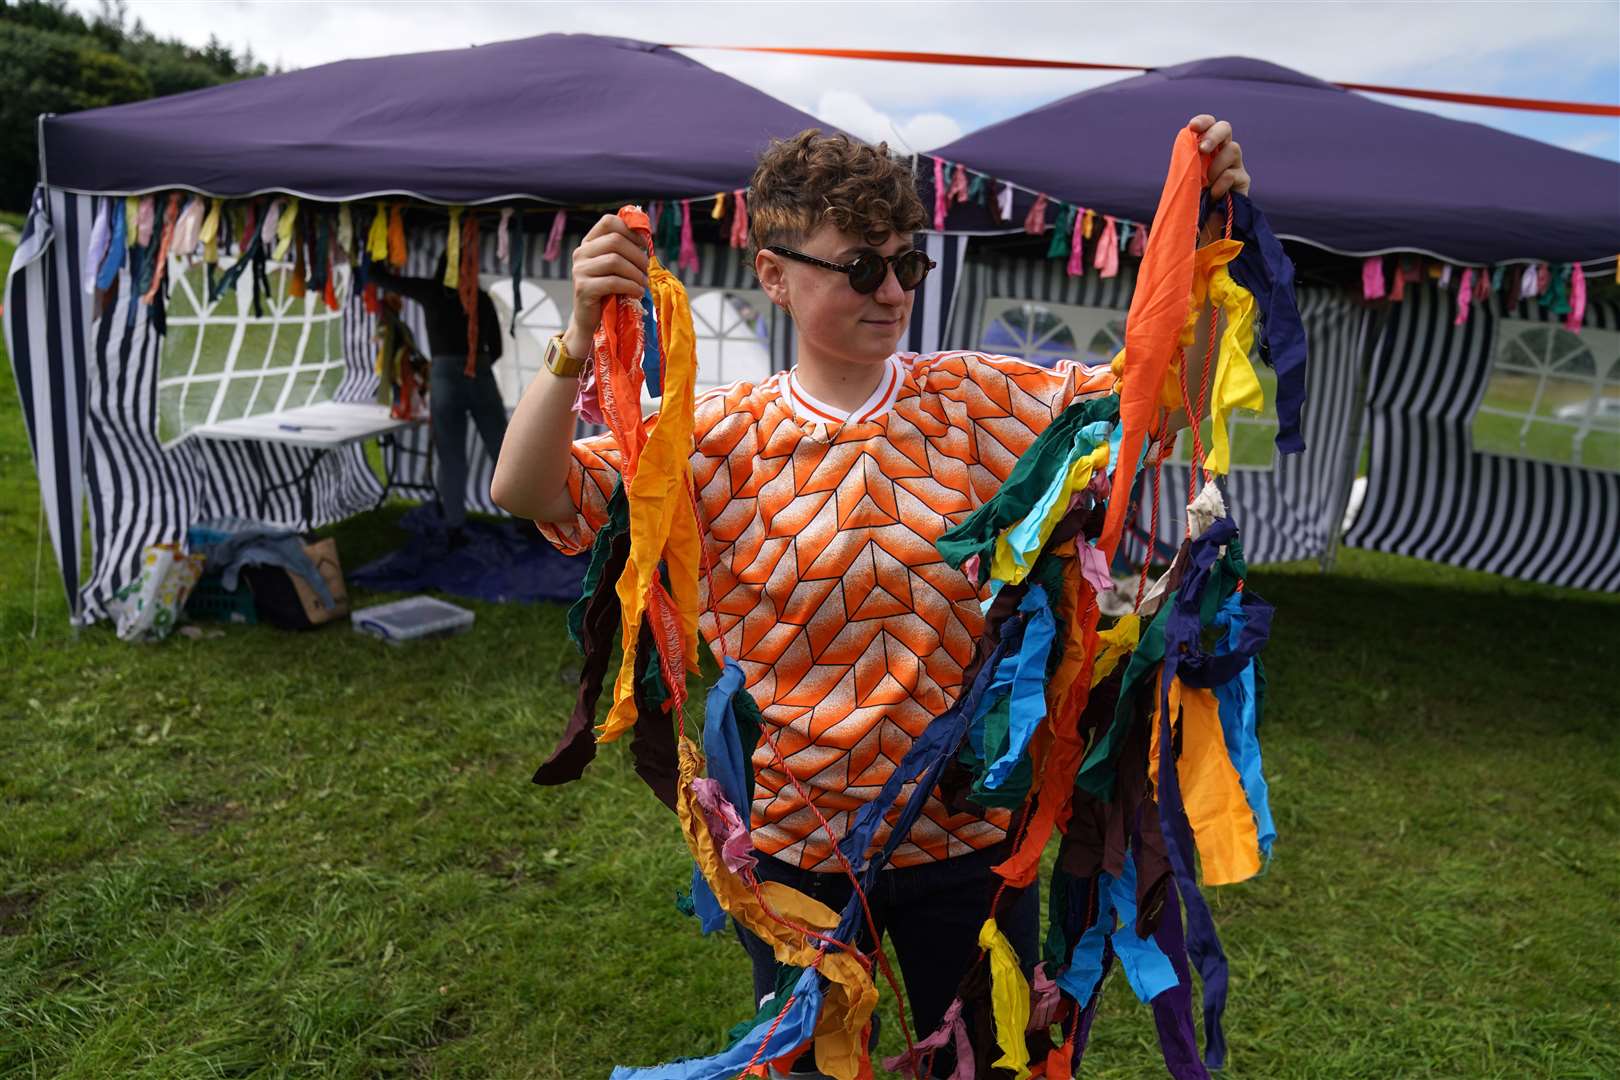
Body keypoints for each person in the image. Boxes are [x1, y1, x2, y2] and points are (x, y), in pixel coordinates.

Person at [492, 117, 1250, 1077]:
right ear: (775, 274)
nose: (892, 292)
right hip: (792, 850)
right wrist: (574, 335)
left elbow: (1159, 405)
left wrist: (1201, 238)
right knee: (809, 1065)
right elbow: (529, 491)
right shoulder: (714, 435)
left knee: (983, 1058)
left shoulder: (986, 400)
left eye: (908, 266)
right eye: (860, 268)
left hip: (969, 840)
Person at [369, 252, 507, 546]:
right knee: (504, 449)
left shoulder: (430, 291)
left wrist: (374, 252)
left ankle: (454, 526)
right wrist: (476, 365)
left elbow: (381, 279)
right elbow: (497, 348)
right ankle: (527, 519)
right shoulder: (481, 298)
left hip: (444, 375)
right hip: (479, 371)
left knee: (451, 456)